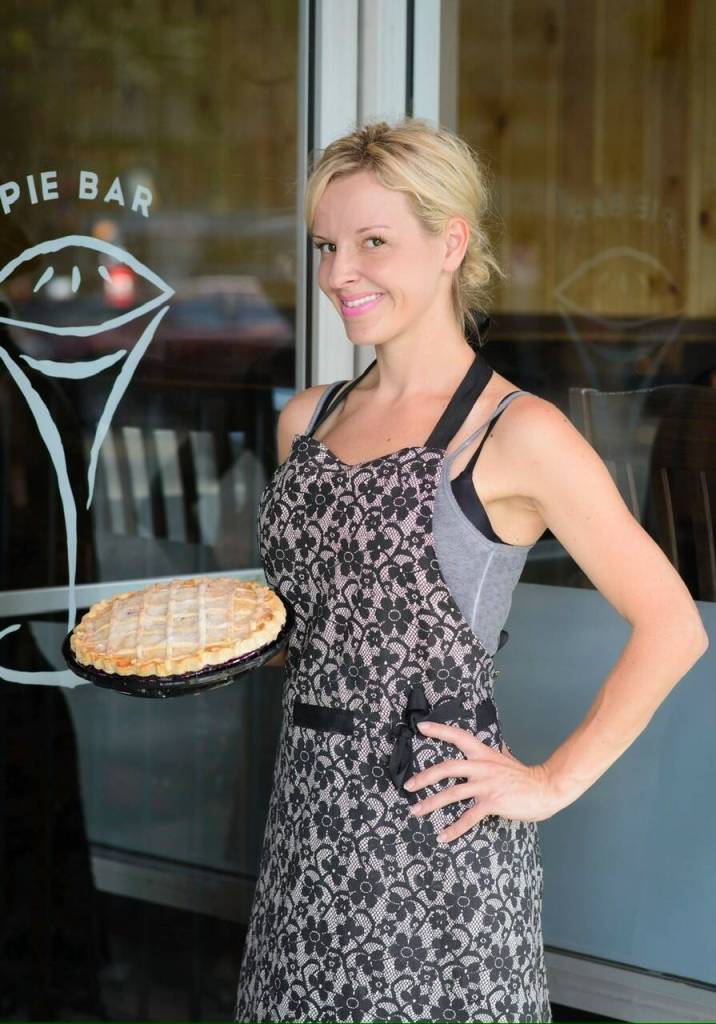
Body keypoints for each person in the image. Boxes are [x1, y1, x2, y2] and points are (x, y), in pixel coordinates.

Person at [234, 117, 708, 1023]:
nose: (339, 274)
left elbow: (672, 623)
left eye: (375, 242)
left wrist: (547, 782)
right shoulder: (307, 421)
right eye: (328, 245)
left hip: (437, 854)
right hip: (305, 831)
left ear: (451, 242)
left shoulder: (517, 434)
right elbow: (323, 632)